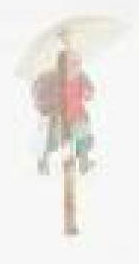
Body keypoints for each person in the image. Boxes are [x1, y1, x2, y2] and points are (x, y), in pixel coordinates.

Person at [33, 47, 95, 175]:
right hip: (58, 117)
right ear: (62, 64)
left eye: (79, 62)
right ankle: (43, 162)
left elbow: (90, 90)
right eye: (74, 63)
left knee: (84, 137)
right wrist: (48, 106)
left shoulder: (82, 76)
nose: (78, 66)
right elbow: (38, 93)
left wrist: (88, 93)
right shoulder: (50, 77)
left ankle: (84, 162)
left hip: (77, 115)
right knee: (52, 141)